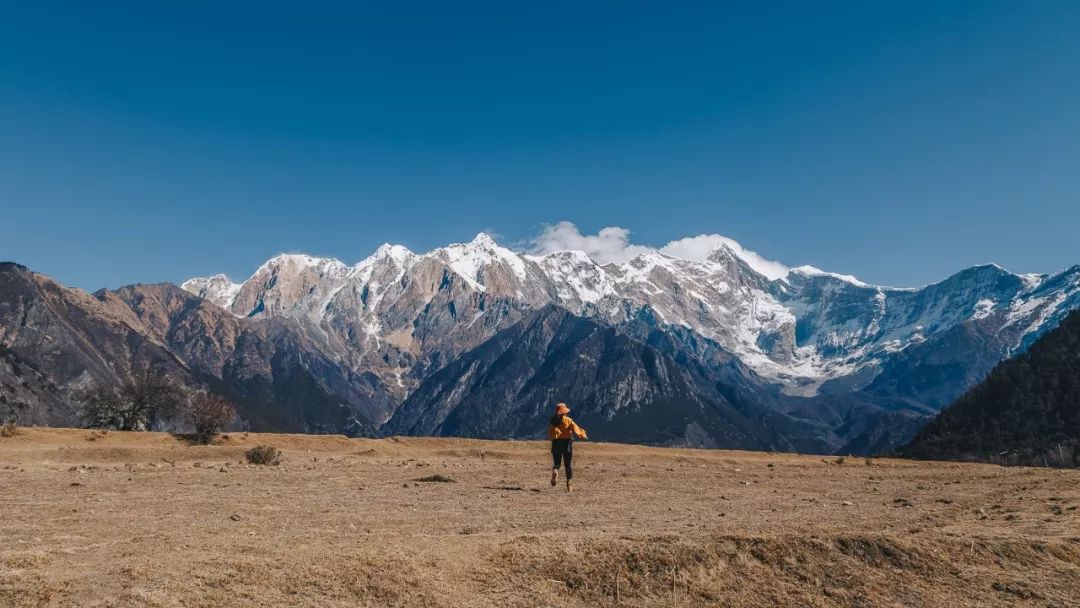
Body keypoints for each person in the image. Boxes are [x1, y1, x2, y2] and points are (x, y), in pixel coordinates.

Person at [548, 402, 587, 492]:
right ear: (564, 412)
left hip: (556, 443)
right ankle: (569, 485)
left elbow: (550, 433)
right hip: (567, 444)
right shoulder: (568, 420)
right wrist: (582, 434)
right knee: (568, 465)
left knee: (557, 464)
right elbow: (576, 428)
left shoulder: (553, 421)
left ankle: (555, 471)